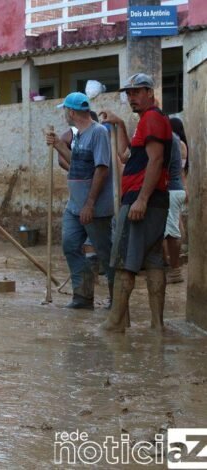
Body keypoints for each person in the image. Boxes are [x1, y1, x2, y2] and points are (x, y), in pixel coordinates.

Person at [100, 73, 172, 332]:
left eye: (137, 92)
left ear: (150, 93)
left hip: (141, 201)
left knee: (124, 263)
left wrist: (141, 199)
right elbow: (125, 156)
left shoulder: (152, 118)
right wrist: (119, 124)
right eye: (129, 93)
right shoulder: (149, 121)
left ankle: (114, 325)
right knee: (153, 261)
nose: (132, 97)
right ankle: (157, 326)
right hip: (153, 201)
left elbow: (156, 160)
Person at [46, 92, 114, 310]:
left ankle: (117, 301)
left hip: (94, 208)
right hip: (75, 206)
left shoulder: (99, 132)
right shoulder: (78, 135)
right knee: (70, 245)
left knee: (105, 252)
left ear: (72, 112)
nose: (65, 115)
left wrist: (90, 203)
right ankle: (83, 296)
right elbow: (76, 163)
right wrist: (58, 144)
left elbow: (102, 169)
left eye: (65, 111)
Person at [165, 117, 188, 284]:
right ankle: (174, 265)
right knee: (176, 226)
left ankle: (174, 269)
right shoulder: (180, 143)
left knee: (171, 231)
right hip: (179, 186)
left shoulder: (173, 141)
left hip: (172, 188)